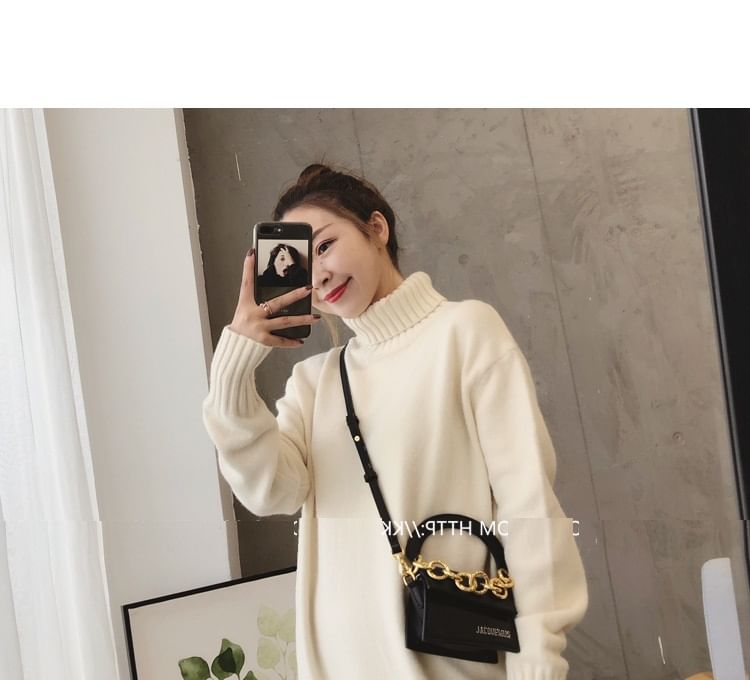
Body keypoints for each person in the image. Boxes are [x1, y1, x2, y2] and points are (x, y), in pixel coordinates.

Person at [202, 164, 589, 679]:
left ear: (377, 228)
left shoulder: (464, 333)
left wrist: (539, 652)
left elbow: (528, 503)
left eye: (325, 246)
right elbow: (269, 491)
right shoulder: (315, 383)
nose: (318, 275)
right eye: (301, 264)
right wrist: (235, 363)